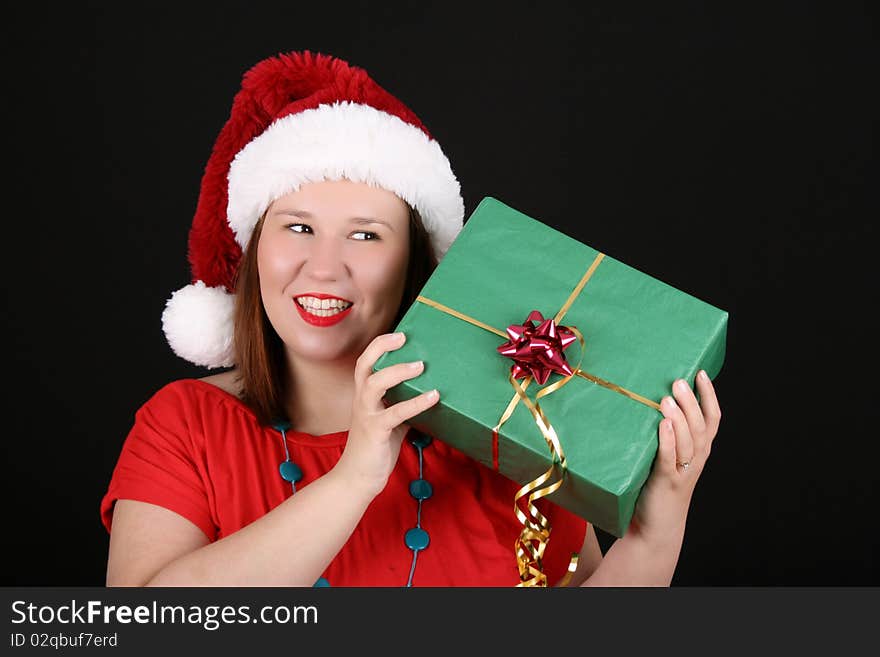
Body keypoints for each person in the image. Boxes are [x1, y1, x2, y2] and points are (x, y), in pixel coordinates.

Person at [100, 50, 722, 587]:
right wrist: (355, 479)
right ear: (256, 247)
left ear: (413, 262)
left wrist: (653, 534)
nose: (324, 269)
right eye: (297, 228)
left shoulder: (513, 423)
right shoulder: (183, 427)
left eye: (366, 236)